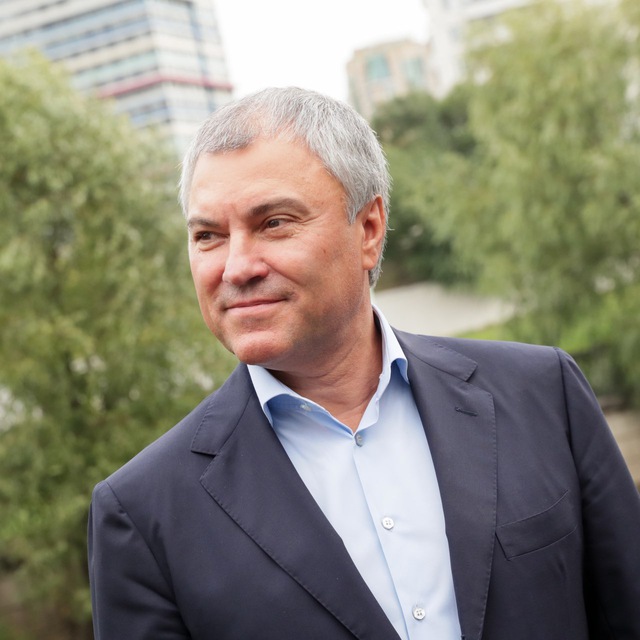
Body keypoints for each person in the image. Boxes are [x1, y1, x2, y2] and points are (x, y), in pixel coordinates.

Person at [88, 87, 640, 640]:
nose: (236, 267)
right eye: (208, 235)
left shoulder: (543, 395)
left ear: (369, 230)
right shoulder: (142, 514)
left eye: (274, 223)